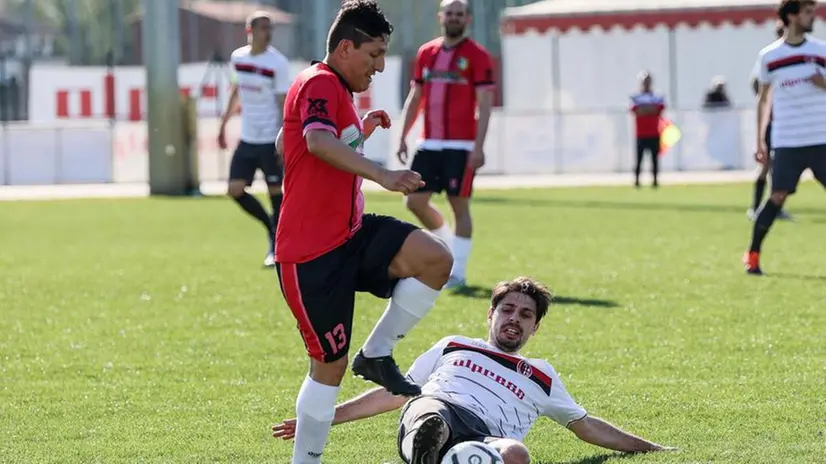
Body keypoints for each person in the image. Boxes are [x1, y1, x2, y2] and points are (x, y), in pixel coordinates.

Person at [274, 1, 453, 462]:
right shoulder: (318, 80)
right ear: (346, 47)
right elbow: (314, 140)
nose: (380, 65)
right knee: (327, 368)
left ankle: (377, 355)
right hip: (311, 254)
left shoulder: (334, 90)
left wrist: (359, 131)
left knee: (435, 259)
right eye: (374, 54)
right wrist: (382, 174)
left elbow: (290, 141)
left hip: (350, 233)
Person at [273, 277, 675, 464]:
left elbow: (586, 426)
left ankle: (443, 459)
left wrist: (651, 449)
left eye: (525, 315)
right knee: (431, 417)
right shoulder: (455, 345)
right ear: (491, 314)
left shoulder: (542, 376)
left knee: (516, 454)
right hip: (437, 410)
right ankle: (427, 452)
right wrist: (325, 418)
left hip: (487, 438)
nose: (514, 319)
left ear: (535, 327)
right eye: (507, 310)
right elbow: (399, 392)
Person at [395, 0, 496, 290]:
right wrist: (403, 134)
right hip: (429, 142)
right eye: (449, 13)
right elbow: (416, 97)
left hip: (461, 145)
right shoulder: (427, 53)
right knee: (414, 200)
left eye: (459, 14)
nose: (453, 18)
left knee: (458, 204)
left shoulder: (478, 56)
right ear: (441, 17)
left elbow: (485, 105)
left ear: (468, 19)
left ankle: (458, 272)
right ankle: (449, 247)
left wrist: (478, 146)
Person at [745, 0, 826, 275]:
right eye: (808, 12)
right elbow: (763, 99)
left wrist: (822, 83)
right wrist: (760, 141)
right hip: (788, 141)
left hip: (821, 139)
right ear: (792, 16)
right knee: (777, 196)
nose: (813, 17)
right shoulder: (769, 56)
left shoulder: (821, 50)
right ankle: (753, 255)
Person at [217, 11, 291, 268]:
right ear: (250, 31)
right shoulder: (237, 58)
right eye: (262, 28)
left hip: (270, 139)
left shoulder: (278, 64)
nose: (267, 33)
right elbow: (236, 90)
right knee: (235, 189)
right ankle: (270, 227)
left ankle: (276, 247)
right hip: (248, 138)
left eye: (270, 29)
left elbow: (285, 105)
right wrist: (224, 123)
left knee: (276, 193)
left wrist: (284, 139)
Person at [747, 21, 794, 222]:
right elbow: (757, 83)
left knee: (777, 167)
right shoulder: (771, 56)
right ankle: (756, 207)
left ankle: (772, 207)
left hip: (783, 121)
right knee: (766, 165)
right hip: (772, 122)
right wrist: (769, 106)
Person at [629, 71, 666, 188]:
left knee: (654, 160)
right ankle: (637, 181)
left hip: (654, 132)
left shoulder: (657, 96)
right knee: (639, 160)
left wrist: (644, 109)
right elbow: (635, 110)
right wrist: (650, 109)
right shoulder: (636, 96)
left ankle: (655, 181)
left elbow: (659, 110)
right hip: (641, 133)